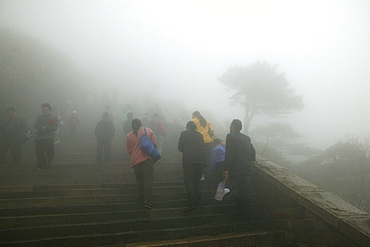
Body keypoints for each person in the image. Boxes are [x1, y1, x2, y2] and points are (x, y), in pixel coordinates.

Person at [223, 119, 256, 216]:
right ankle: (245, 209)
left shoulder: (230, 136)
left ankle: (243, 210)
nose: (230, 126)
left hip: (235, 168)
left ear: (234, 126)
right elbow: (252, 151)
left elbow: (229, 153)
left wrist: (226, 168)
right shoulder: (246, 138)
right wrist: (252, 160)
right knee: (242, 188)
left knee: (236, 188)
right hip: (245, 167)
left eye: (231, 124)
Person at [126, 119, 157, 210]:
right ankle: (147, 201)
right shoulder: (148, 130)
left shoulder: (128, 135)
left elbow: (129, 150)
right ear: (141, 124)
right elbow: (154, 143)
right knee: (148, 180)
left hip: (136, 160)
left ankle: (139, 198)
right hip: (147, 159)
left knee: (139, 180)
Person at [178, 121, 207, 212]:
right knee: (197, 181)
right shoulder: (199, 135)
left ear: (187, 127)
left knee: (189, 181)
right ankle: (200, 202)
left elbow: (180, 147)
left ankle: (192, 203)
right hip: (200, 161)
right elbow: (202, 146)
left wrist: (187, 150)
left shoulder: (184, 133)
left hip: (189, 161)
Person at [190, 111, 214, 180]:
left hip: (198, 142)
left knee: (199, 160)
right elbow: (212, 132)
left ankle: (201, 175)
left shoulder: (193, 121)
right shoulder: (207, 122)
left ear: (194, 115)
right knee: (207, 160)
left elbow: (189, 131)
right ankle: (209, 175)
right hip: (208, 142)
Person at [34, 103, 58, 169]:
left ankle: (49, 160)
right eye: (43, 110)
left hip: (49, 137)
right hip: (40, 137)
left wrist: (46, 128)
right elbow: (36, 125)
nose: (44, 111)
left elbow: (55, 127)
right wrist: (41, 127)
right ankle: (41, 165)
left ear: (49, 110)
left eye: (45, 110)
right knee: (39, 152)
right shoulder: (39, 117)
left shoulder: (54, 117)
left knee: (49, 149)